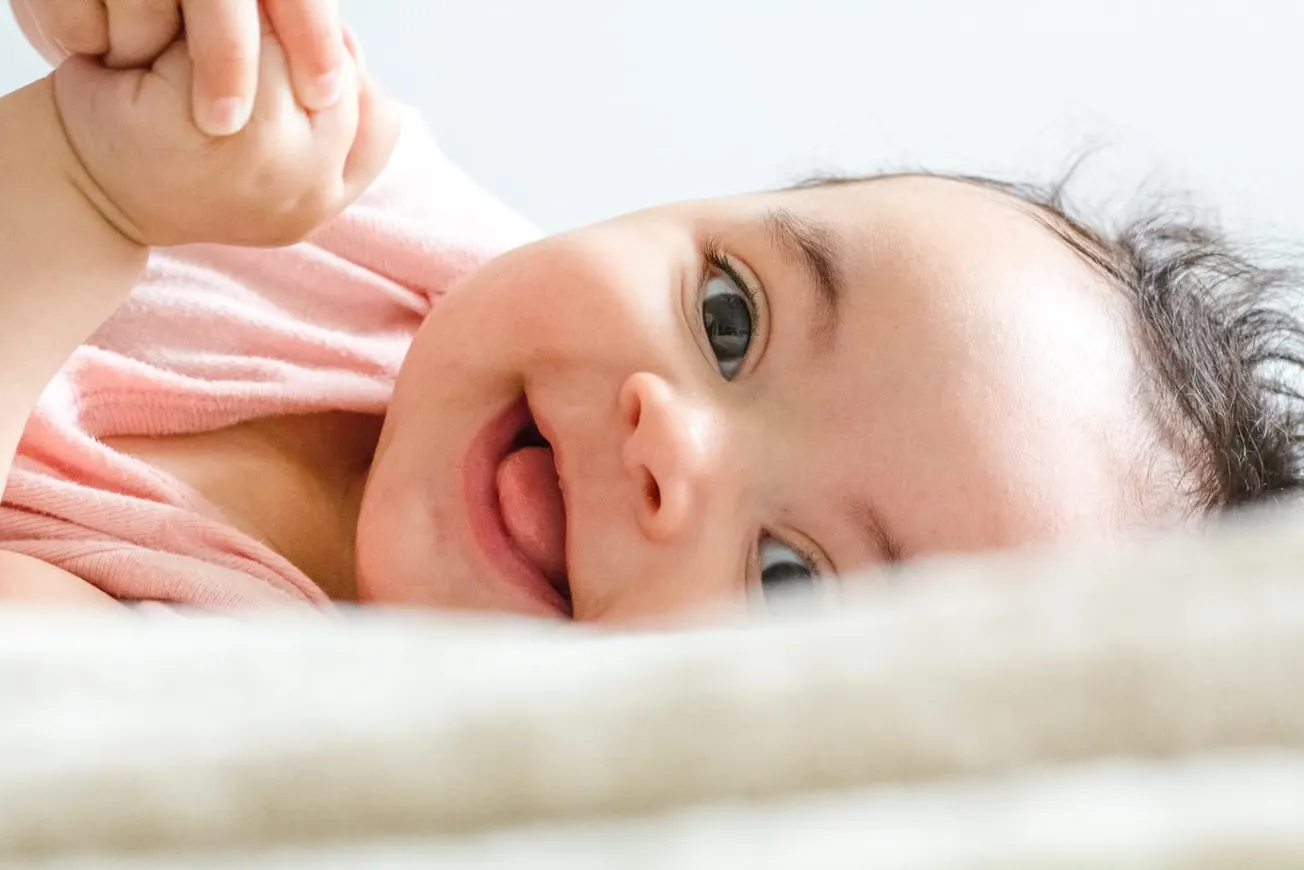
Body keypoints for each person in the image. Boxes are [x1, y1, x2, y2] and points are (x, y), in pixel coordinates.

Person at [2, 1, 1301, 620]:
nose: (669, 438)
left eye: (787, 578)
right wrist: (158, 39)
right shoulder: (380, 213)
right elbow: (194, 64)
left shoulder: (245, 684)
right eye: (730, 317)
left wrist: (77, 186)